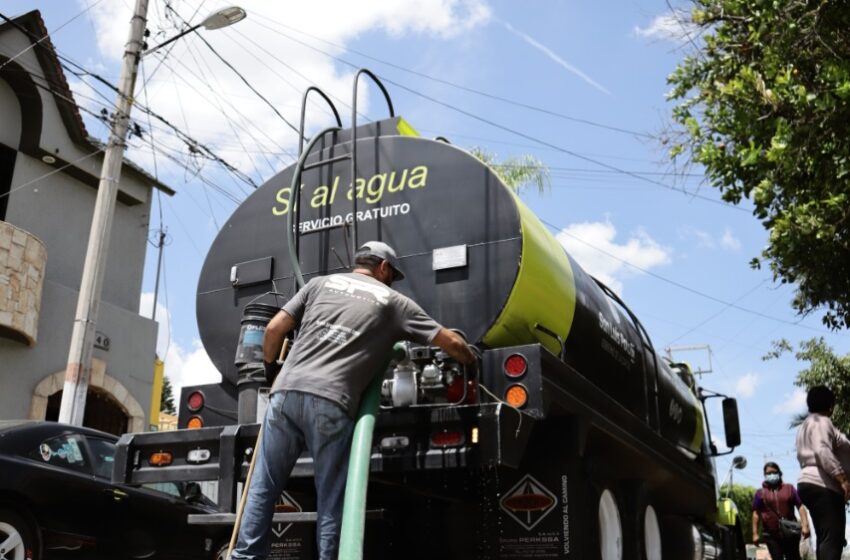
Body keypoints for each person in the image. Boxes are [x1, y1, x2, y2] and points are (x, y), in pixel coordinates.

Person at [231, 241, 476, 560]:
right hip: (332, 401)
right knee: (332, 497)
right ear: (384, 268)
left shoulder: (319, 284)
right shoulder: (395, 302)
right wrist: (471, 359)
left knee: (263, 486)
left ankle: (245, 556)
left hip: (285, 393)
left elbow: (274, 329)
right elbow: (452, 342)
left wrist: (271, 371)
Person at [796, 385, 850, 560]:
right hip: (823, 484)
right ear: (830, 405)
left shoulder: (805, 425)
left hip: (807, 482)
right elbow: (822, 450)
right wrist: (841, 478)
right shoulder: (821, 422)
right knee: (832, 540)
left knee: (824, 538)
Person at [751, 461, 810, 560]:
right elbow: (755, 513)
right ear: (764, 475)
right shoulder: (760, 493)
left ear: (779, 473)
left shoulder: (789, 489)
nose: (771, 475)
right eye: (768, 473)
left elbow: (800, 506)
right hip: (771, 535)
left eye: (774, 472)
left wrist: (805, 526)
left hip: (790, 532)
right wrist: (755, 533)